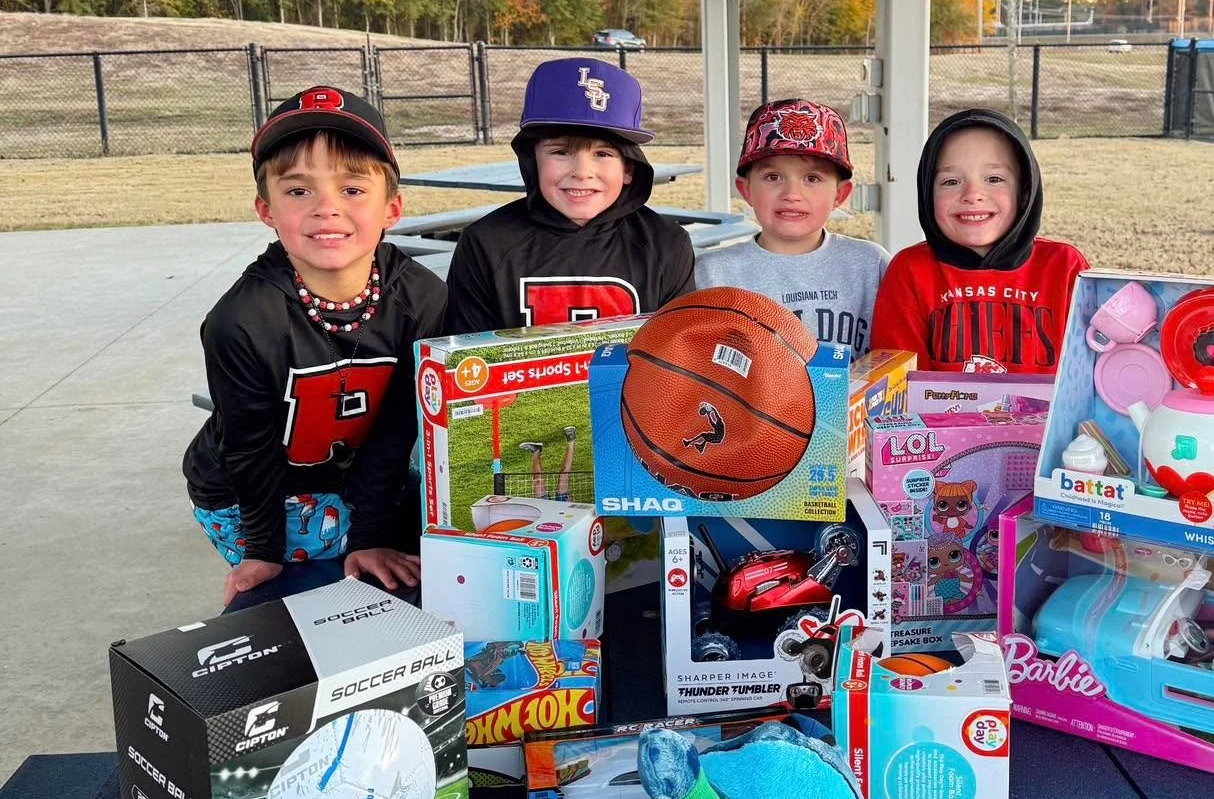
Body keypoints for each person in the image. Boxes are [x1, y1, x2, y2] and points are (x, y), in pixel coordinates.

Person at [183, 86, 446, 610]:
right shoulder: (242, 320)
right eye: (299, 192)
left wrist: (372, 533)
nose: (327, 209)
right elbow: (249, 447)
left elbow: (397, 428)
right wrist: (262, 551)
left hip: (349, 474)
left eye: (352, 189)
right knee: (331, 579)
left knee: (450, 537)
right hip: (249, 493)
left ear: (392, 207)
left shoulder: (420, 296)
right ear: (266, 209)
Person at [444, 57, 694, 336]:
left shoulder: (666, 245)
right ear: (532, 159)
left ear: (629, 168)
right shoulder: (486, 244)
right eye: (561, 152)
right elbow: (467, 362)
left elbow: (677, 354)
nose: (582, 172)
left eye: (603, 154)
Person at [871, 108, 1088, 374]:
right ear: (927, 193)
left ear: (1024, 192)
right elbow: (897, 389)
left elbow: (1088, 378)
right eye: (951, 181)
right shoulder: (910, 271)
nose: (972, 194)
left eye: (994, 179)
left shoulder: (1064, 268)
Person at [694, 99, 889, 354]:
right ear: (746, 190)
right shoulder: (713, 273)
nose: (792, 193)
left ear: (840, 195)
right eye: (773, 177)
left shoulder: (870, 264)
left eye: (812, 178)